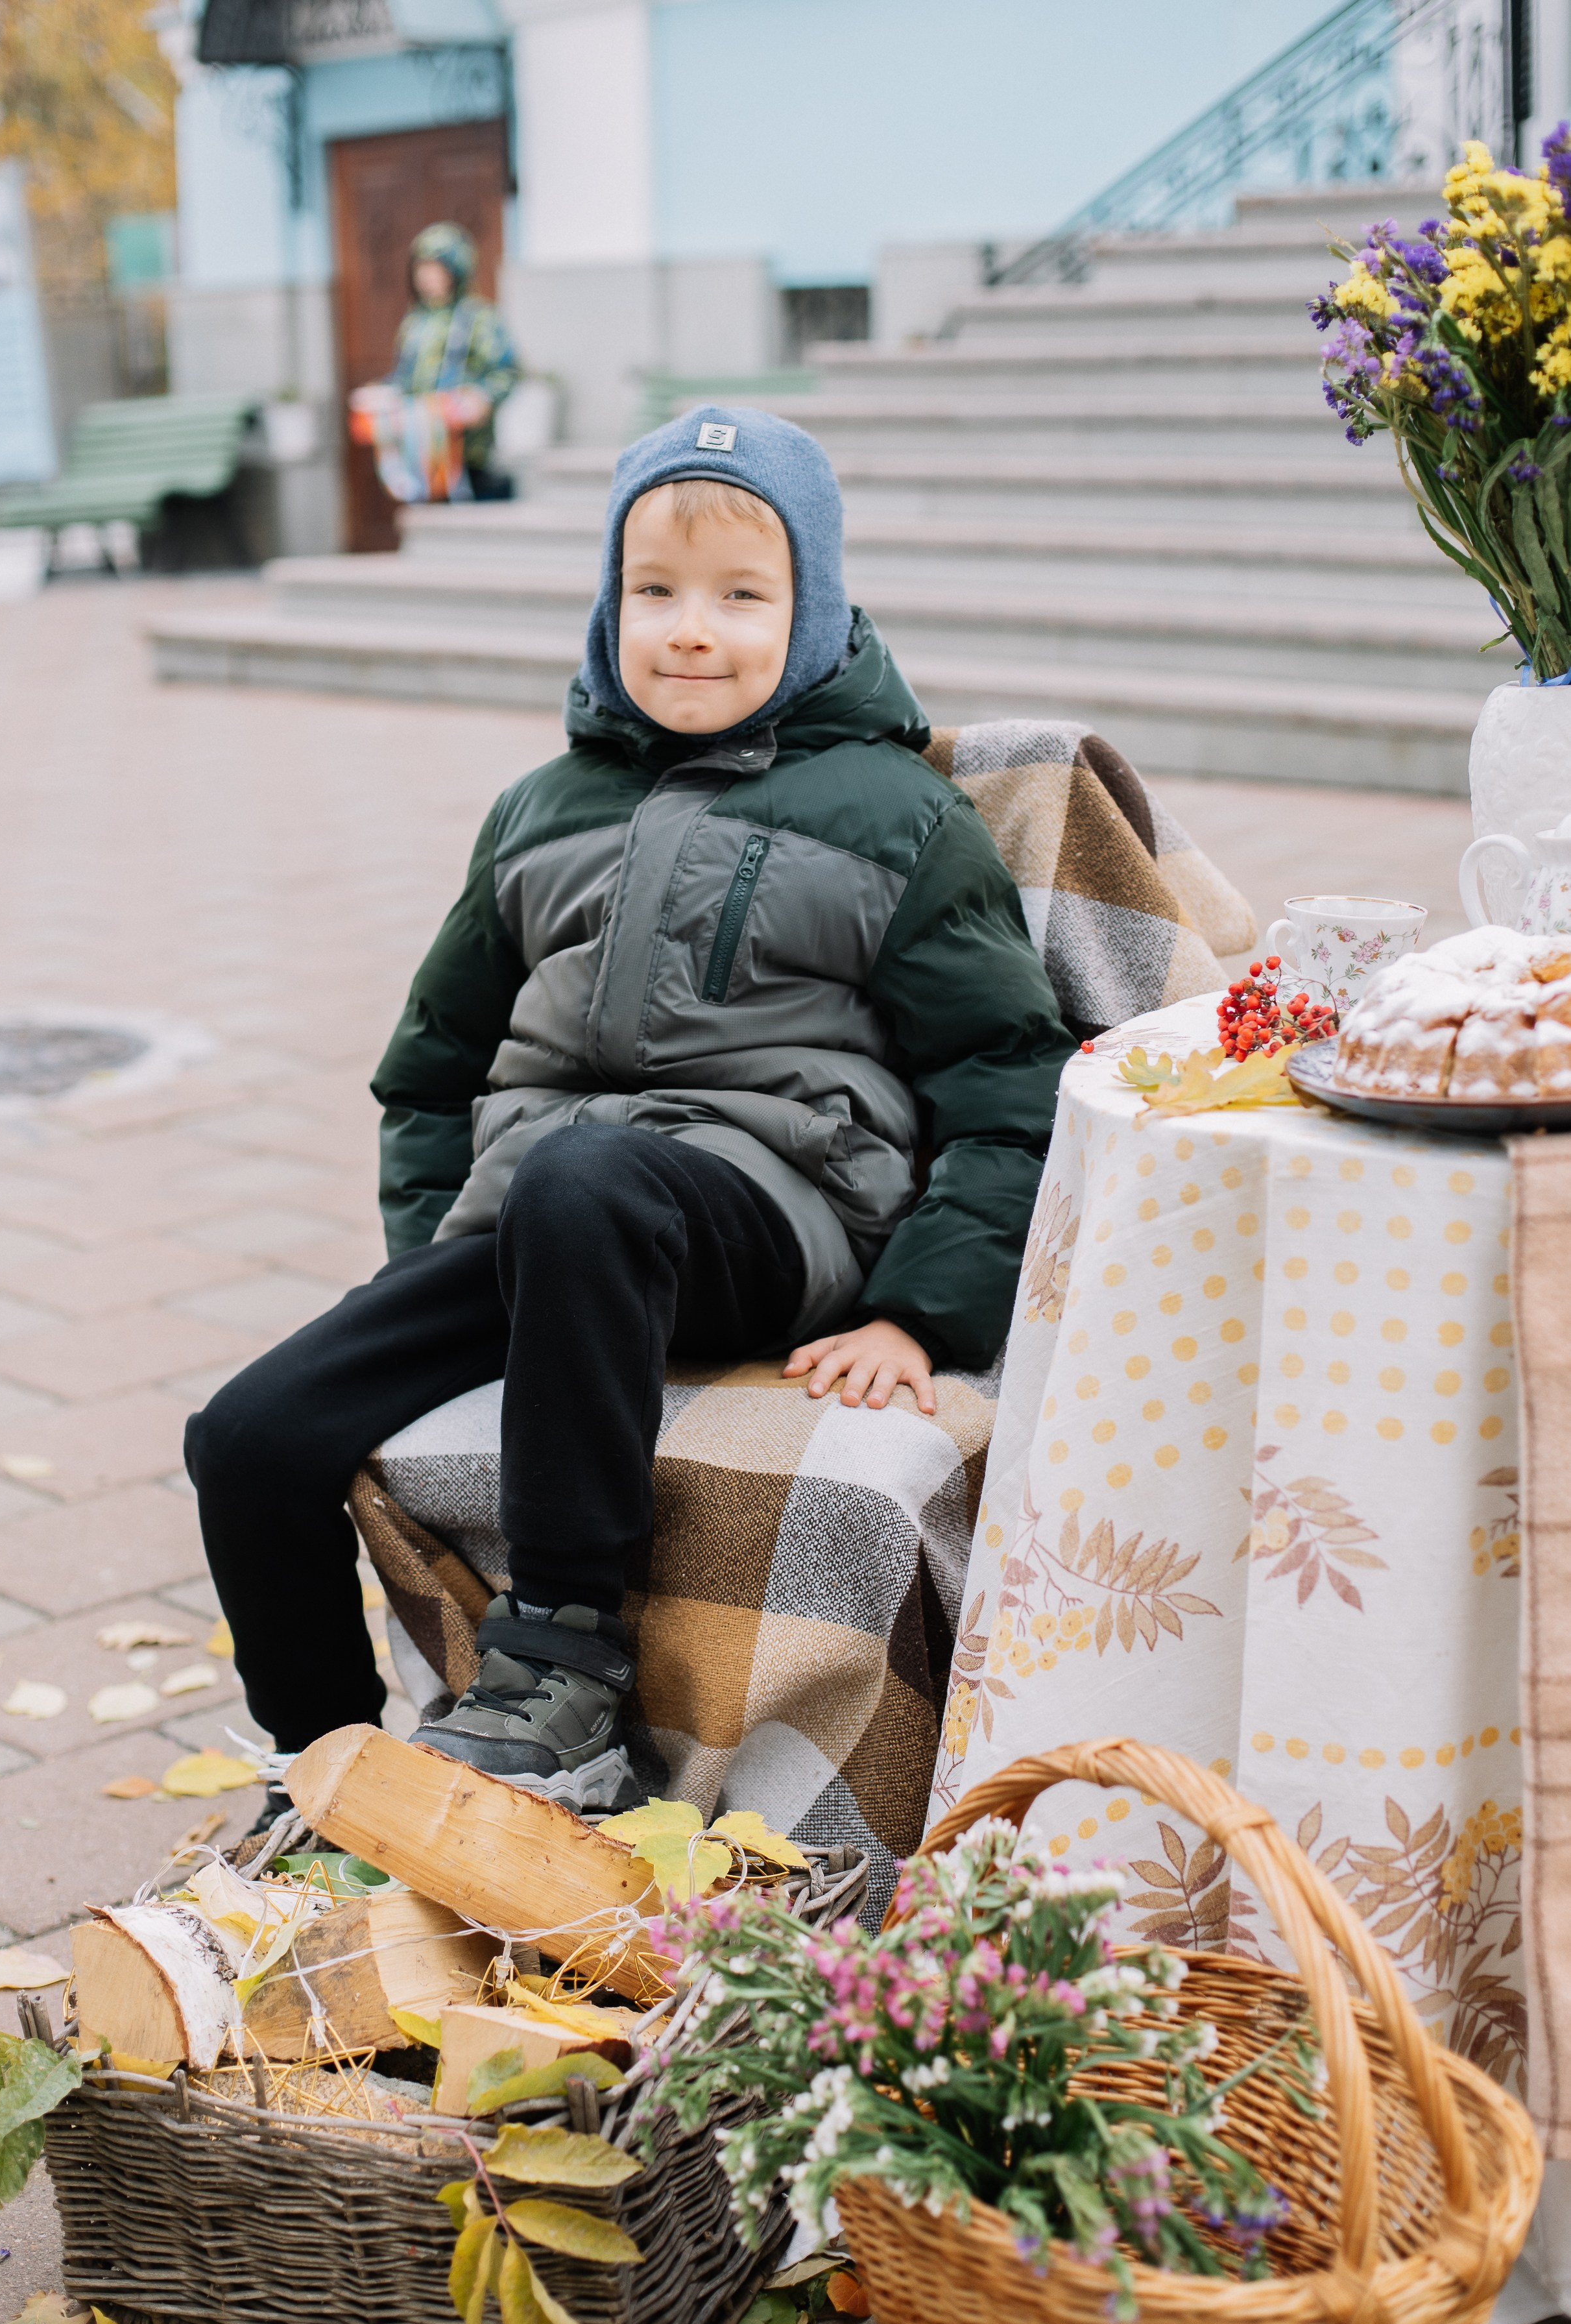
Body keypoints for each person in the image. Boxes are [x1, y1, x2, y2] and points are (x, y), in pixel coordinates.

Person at [184, 404, 1073, 1833]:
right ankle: (334, 1782)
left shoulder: (895, 817)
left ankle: (561, 1660)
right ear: (609, 603)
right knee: (248, 1434)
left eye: (741, 595)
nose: (691, 631)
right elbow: (432, 1066)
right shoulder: (539, 812)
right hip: (548, 1225)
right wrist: (434, 1240)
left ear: (818, 607)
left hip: (769, 1213)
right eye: (653, 591)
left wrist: (918, 1309)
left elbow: (1012, 1083)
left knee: (586, 1179)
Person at [352, 221, 517, 503]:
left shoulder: (477, 317)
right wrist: (380, 392)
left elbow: (505, 372)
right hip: (420, 450)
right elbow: (404, 376)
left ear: (456, 270)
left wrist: (482, 398)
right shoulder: (415, 321)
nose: (427, 276)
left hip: (466, 451)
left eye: (436, 268)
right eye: (421, 268)